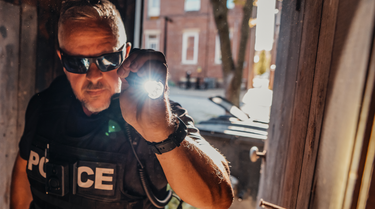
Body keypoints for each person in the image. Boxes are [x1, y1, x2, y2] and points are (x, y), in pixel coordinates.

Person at [10, 0, 234, 209]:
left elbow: (218, 199)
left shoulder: (154, 111)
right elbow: (23, 170)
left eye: (107, 59)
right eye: (78, 62)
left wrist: (160, 132)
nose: (94, 75)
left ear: (126, 54)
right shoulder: (45, 105)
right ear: (62, 60)